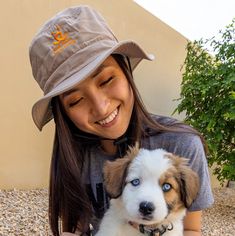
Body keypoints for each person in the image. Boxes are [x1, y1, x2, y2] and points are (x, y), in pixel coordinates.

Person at [29, 5, 214, 236]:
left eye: (106, 80)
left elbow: (191, 229)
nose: (100, 107)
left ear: (126, 69)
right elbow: (74, 228)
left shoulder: (183, 144)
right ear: (63, 113)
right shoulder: (74, 156)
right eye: (76, 100)